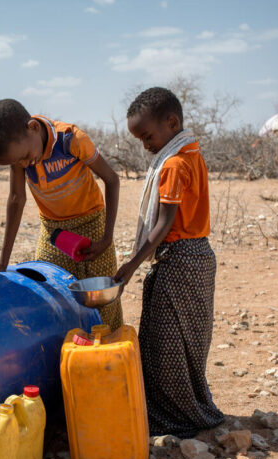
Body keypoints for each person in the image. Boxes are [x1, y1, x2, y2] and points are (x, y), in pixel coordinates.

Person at [114, 87, 224, 437]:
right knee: (186, 340)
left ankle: (174, 416)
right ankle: (189, 408)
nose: (145, 145)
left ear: (171, 122)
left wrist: (130, 266)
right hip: (198, 256)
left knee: (166, 342)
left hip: (180, 260)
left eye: (147, 136)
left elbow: (162, 225)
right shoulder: (192, 153)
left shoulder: (174, 164)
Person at [0, 99, 123, 329]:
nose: (25, 164)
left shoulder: (71, 139)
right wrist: (2, 261)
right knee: (53, 299)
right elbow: (17, 199)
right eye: (17, 162)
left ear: (34, 128)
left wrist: (106, 239)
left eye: (25, 156)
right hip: (54, 232)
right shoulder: (20, 152)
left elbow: (112, 179)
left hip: (92, 225)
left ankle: (111, 360)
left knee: (102, 303)